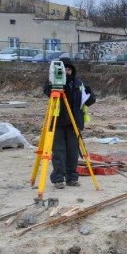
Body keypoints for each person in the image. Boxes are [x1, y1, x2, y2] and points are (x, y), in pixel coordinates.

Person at [42, 57, 95, 189]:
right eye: (64, 69)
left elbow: (89, 101)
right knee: (59, 152)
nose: (66, 72)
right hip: (58, 122)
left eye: (69, 69)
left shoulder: (78, 83)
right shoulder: (52, 83)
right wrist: (57, 85)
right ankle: (58, 178)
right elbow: (47, 91)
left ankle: (72, 177)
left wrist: (90, 94)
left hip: (73, 123)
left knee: (72, 152)